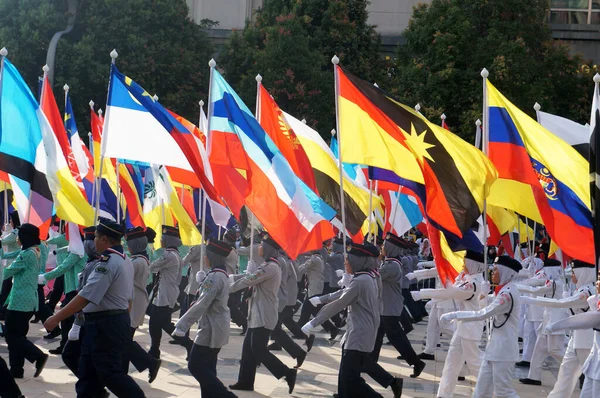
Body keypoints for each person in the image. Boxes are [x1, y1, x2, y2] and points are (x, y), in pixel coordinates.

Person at [43, 218, 145, 398]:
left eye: (96, 237)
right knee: (88, 373)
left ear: (105, 239)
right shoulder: (124, 260)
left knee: (110, 373)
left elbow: (85, 297)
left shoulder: (108, 262)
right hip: (108, 322)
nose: (93, 241)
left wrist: (56, 318)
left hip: (105, 324)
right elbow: (128, 298)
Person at [303, 242, 403, 398]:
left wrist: (314, 322)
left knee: (350, 377)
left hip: (360, 332)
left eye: (348, 260)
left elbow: (340, 303)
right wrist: (321, 299)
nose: (345, 262)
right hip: (359, 329)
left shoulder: (361, 280)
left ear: (357, 261)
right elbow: (344, 293)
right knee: (347, 371)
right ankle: (344, 394)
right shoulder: (367, 276)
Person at [440, 256, 522, 398]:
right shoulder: (503, 291)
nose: (492, 273)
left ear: (505, 272)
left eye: (496, 270)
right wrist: (483, 294)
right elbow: (484, 304)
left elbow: (482, 313)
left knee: (504, 392)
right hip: (494, 349)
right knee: (480, 392)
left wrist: (455, 314)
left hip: (504, 351)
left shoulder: (507, 295)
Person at [228, 233, 298, 394]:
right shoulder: (267, 265)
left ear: (268, 249)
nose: (258, 247)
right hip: (257, 313)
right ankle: (245, 381)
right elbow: (249, 276)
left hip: (264, 315)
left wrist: (228, 287)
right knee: (248, 350)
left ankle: (287, 373)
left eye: (261, 245)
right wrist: (230, 278)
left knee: (258, 349)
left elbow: (249, 280)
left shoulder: (270, 267)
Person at [414, 250, 487, 397]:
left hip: (470, 330)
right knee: (451, 364)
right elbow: (451, 290)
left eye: (466, 261)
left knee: (475, 365)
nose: (463, 263)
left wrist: (422, 294)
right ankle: (443, 394)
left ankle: (493, 393)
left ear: (473, 264)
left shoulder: (473, 284)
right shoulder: (468, 278)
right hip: (462, 328)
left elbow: (450, 293)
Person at [173, 239, 238, 398]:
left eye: (206, 255)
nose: (204, 258)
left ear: (213, 256)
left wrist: (182, 325)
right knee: (208, 368)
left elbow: (201, 304)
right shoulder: (219, 275)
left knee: (195, 365)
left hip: (211, 329)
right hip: (216, 326)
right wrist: (203, 282)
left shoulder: (214, 277)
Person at [530, 260, 596, 397]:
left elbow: (560, 304)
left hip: (587, 342)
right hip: (576, 340)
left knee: (592, 382)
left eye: (574, 272)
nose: (572, 275)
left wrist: (532, 300)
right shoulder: (582, 289)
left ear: (583, 272)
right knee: (565, 375)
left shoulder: (588, 291)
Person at [372, 232, 425, 378]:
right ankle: (370, 363)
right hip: (386, 305)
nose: (382, 247)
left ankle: (416, 362)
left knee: (395, 337)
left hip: (390, 306)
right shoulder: (390, 262)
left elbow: (375, 274)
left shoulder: (392, 265)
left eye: (384, 245)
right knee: (378, 335)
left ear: (390, 248)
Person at [2, 223, 48, 379]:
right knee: (18, 335)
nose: (17, 238)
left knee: (10, 335)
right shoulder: (34, 250)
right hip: (28, 299)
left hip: (20, 300)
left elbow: (8, 272)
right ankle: (16, 369)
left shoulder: (26, 254)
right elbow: (9, 256)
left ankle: (37, 355)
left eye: (19, 235)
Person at [517, 258, 568, 386]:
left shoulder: (554, 283)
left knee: (554, 350)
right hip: (547, 317)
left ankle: (578, 367)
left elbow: (537, 290)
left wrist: (517, 287)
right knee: (539, 350)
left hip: (554, 318)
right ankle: (534, 377)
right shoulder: (553, 281)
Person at [545, 283, 600, 398]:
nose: (597, 283)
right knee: (568, 377)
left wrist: (556, 326)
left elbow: (588, 320)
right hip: (590, 353)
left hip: (586, 343)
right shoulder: (584, 292)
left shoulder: (587, 291)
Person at [123, 227, 161, 383]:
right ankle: (122, 372)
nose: (128, 246)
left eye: (129, 243)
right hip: (135, 301)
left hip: (133, 303)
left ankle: (150, 362)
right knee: (124, 340)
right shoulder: (140, 259)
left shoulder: (137, 262)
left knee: (124, 340)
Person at [38, 239, 86, 354]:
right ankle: (67, 346)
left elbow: (64, 267)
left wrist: (44, 277)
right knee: (69, 320)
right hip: (73, 288)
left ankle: (69, 347)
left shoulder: (77, 250)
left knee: (68, 319)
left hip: (75, 288)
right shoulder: (77, 247)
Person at [268, 247, 313, 368]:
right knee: (279, 324)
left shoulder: (283, 262)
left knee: (275, 327)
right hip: (285, 297)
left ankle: (298, 350)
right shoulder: (288, 261)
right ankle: (296, 347)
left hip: (282, 298)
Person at [147, 225, 182, 359]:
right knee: (156, 324)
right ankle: (154, 350)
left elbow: (153, 267)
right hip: (164, 293)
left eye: (163, 238)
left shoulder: (169, 255)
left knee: (162, 324)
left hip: (164, 294)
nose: (161, 241)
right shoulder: (174, 253)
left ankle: (188, 344)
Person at [298, 247, 340, 341]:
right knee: (309, 311)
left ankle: (300, 331)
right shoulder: (318, 258)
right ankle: (300, 331)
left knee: (309, 310)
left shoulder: (315, 259)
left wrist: (293, 268)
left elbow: (303, 267)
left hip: (314, 287)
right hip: (314, 286)